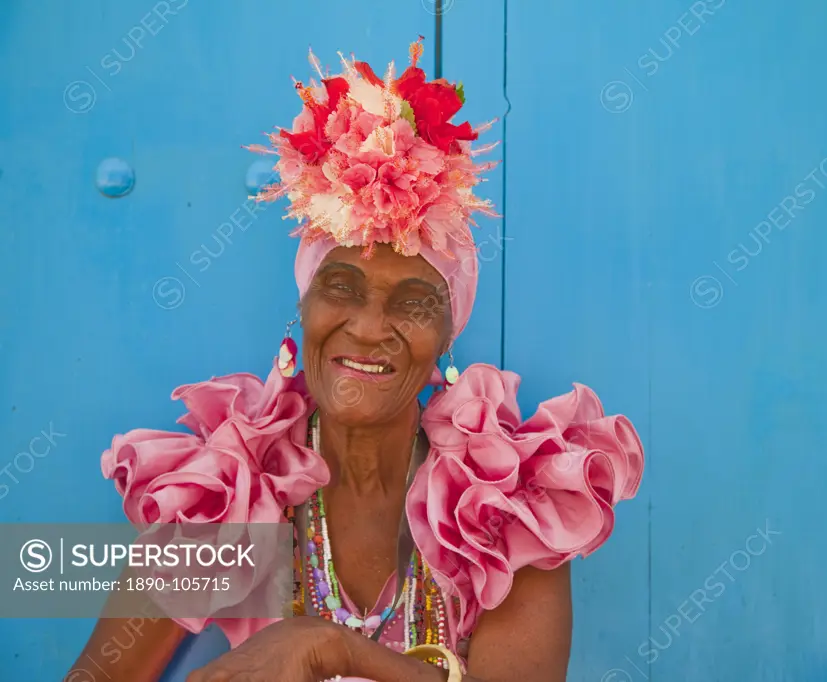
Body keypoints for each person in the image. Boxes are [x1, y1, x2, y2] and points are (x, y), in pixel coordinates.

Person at [67, 38, 644, 682]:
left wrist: (330, 649)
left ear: (445, 341)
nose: (369, 328)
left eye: (415, 302)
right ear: (305, 310)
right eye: (340, 287)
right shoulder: (226, 498)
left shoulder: (504, 507)